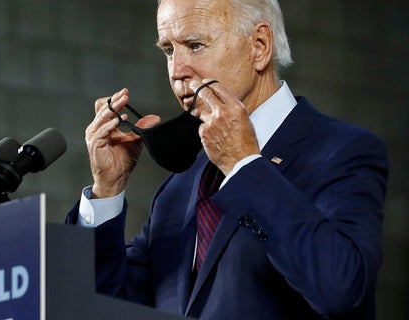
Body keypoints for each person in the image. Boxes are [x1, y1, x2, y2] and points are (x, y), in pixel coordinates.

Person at [65, 0, 389, 319]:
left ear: (259, 46)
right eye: (168, 50)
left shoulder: (343, 151)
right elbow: (108, 307)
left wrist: (244, 166)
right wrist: (107, 190)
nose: (177, 71)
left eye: (195, 45)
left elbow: (341, 288)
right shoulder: (178, 188)